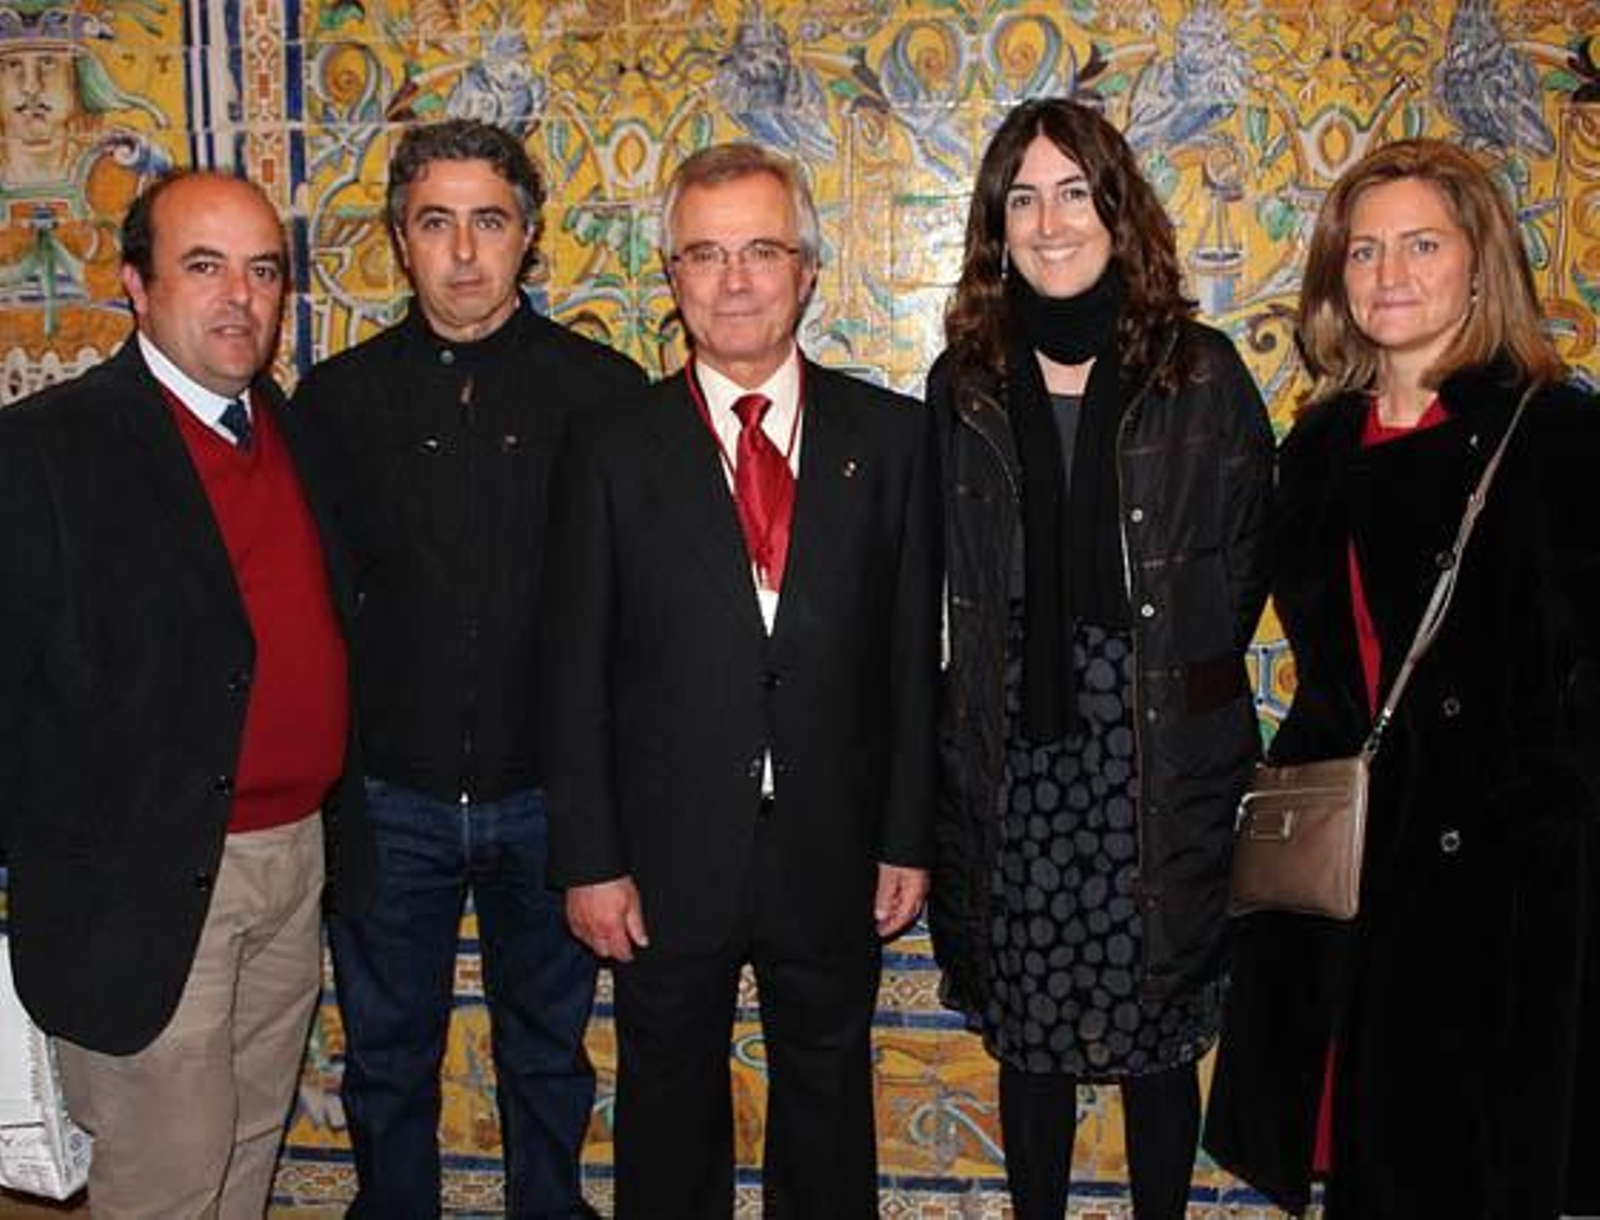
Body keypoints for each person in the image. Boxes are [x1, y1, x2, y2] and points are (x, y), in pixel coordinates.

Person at [540, 141, 939, 1219]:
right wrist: (589, 856)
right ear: (669, 276)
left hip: (835, 841)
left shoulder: (893, 438)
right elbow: (571, 667)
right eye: (704, 255)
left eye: (761, 250)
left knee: (827, 1100)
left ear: (808, 267)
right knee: (665, 1115)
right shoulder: (610, 445)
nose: (734, 281)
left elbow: (912, 656)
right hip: (663, 856)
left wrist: (906, 833)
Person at [1203, 138, 1600, 1217]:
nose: (1388, 274)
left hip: (1498, 880)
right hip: (1346, 869)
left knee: (1463, 1166)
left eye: (1421, 243)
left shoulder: (1559, 434)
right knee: (1368, 1166)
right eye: (1363, 250)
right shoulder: (1319, 441)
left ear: (1481, 263)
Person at [0, 170, 375, 1216]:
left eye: (262, 271)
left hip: (294, 858)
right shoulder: (47, 451)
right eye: (203, 266)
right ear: (135, 284)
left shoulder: (289, 429)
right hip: (149, 881)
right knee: (166, 1172)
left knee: (249, 1140)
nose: (238, 298)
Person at [925, 98, 1273, 1219]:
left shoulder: (1202, 374)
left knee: (1155, 1026)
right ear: (995, 228)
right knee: (1030, 1028)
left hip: (1155, 747)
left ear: (1116, 210)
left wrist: (1169, 672)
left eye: (1073, 191)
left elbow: (1244, 556)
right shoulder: (964, 380)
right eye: (1021, 198)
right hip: (1017, 746)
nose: (1049, 220)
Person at [293, 118, 643, 1219]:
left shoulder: (604, 391)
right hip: (387, 793)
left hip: (550, 799)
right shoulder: (335, 402)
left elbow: (638, 615)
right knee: (387, 1059)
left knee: (548, 1058)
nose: (461, 252)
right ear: (400, 239)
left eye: (487, 221)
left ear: (527, 236)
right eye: (434, 223)